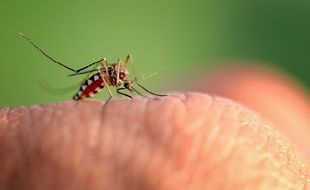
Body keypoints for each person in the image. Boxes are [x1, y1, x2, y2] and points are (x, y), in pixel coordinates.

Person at [0, 64, 309, 189]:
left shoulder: (121, 80)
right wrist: (99, 84)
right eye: (123, 79)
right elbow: (107, 74)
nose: (124, 81)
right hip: (93, 82)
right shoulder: (109, 78)